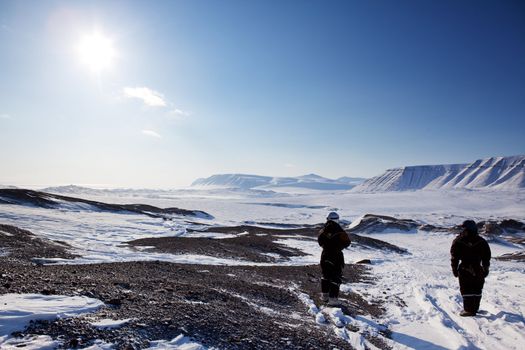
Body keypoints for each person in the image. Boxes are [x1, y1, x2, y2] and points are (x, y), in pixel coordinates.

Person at [450, 220, 491, 317]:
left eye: (463, 228)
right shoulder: (482, 241)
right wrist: (486, 269)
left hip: (464, 268)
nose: (462, 229)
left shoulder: (458, 241)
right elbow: (486, 257)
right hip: (478, 268)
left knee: (466, 289)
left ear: (466, 228)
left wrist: (454, 269)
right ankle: (474, 309)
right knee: (477, 289)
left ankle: (469, 310)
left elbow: (454, 257)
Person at [318, 212, 351, 306]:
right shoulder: (340, 231)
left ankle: (324, 296)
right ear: (337, 219)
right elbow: (347, 242)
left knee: (325, 274)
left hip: (325, 254)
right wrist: (338, 246)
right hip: (336, 255)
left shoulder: (323, 230)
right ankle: (333, 299)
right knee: (335, 276)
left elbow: (320, 242)